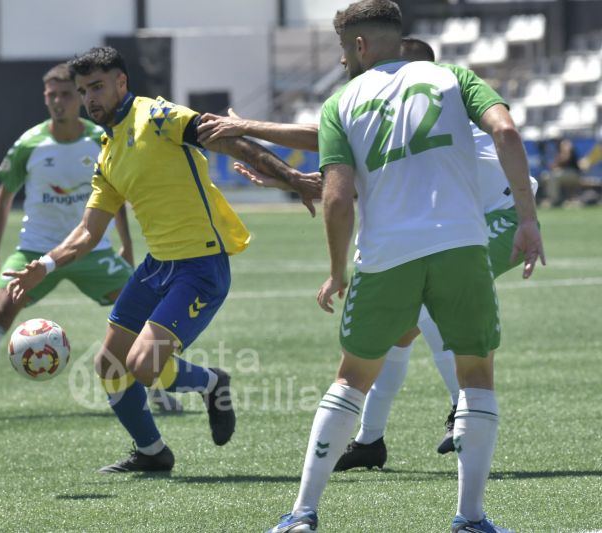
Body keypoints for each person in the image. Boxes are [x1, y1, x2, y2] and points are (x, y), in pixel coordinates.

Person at [255, 1, 543, 531]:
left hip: (387, 254)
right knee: (476, 375)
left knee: (350, 379)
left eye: (344, 51)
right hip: (461, 245)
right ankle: (471, 517)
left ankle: (303, 512)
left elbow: (339, 199)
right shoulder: (453, 76)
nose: (343, 62)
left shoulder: (342, 103)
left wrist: (338, 271)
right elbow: (505, 132)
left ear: (360, 46)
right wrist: (527, 218)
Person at [199, 36, 541, 465]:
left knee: (425, 305)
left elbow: (320, 136)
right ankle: (369, 441)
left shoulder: (430, 101)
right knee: (399, 330)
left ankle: (462, 408)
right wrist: (290, 179)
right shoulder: (410, 108)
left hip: (502, 216)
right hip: (467, 223)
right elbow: (361, 175)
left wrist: (248, 126)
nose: (350, 65)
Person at [4, 46, 319, 473]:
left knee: (142, 366)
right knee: (109, 364)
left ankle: (212, 383)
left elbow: (227, 139)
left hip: (201, 267)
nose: (89, 98)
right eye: (82, 91)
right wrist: (46, 264)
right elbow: (88, 231)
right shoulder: (108, 150)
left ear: (121, 82)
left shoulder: (157, 116)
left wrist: (294, 179)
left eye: (97, 86)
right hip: (158, 267)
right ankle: (152, 451)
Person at [0, 63, 142, 421]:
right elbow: (3, 199)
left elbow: (117, 196)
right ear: (45, 98)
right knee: (1, 307)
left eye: (67, 94)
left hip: (91, 249)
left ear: (78, 98)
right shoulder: (29, 144)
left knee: (138, 310)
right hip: (36, 250)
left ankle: (161, 393)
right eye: (52, 95)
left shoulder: (101, 139)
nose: (59, 101)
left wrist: (127, 246)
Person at [544, 138, 582, 206]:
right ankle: (551, 198)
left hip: (574, 173)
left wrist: (557, 161)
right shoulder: (558, 149)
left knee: (554, 176)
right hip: (565, 173)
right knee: (547, 176)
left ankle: (554, 200)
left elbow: (565, 158)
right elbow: (554, 166)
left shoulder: (566, 144)